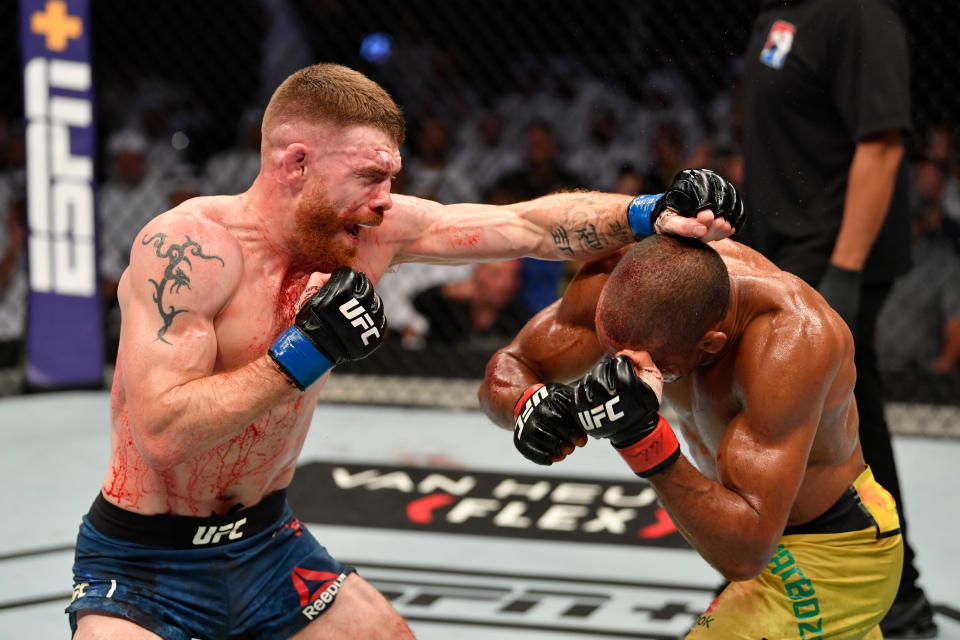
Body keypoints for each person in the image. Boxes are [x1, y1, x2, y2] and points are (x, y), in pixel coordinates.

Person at [67, 62, 740, 640]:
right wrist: (301, 355)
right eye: (368, 176)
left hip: (265, 546)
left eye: (391, 177)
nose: (386, 200)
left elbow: (522, 224)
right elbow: (161, 432)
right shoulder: (186, 249)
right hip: (142, 563)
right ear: (294, 162)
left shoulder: (365, 232)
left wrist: (649, 212)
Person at [480, 235, 903, 638]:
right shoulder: (631, 279)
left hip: (833, 551)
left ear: (710, 344)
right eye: (612, 352)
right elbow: (512, 363)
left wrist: (641, 439)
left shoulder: (791, 342)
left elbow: (745, 552)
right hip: (757, 541)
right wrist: (528, 404)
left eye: (655, 365)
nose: (626, 370)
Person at [739, 1, 934, 635]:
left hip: (831, 253)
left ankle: (896, 597)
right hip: (788, 248)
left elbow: (880, 147)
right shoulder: (778, 13)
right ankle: (886, 593)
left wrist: (845, 277)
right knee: (821, 419)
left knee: (842, 422)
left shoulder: (858, 16)